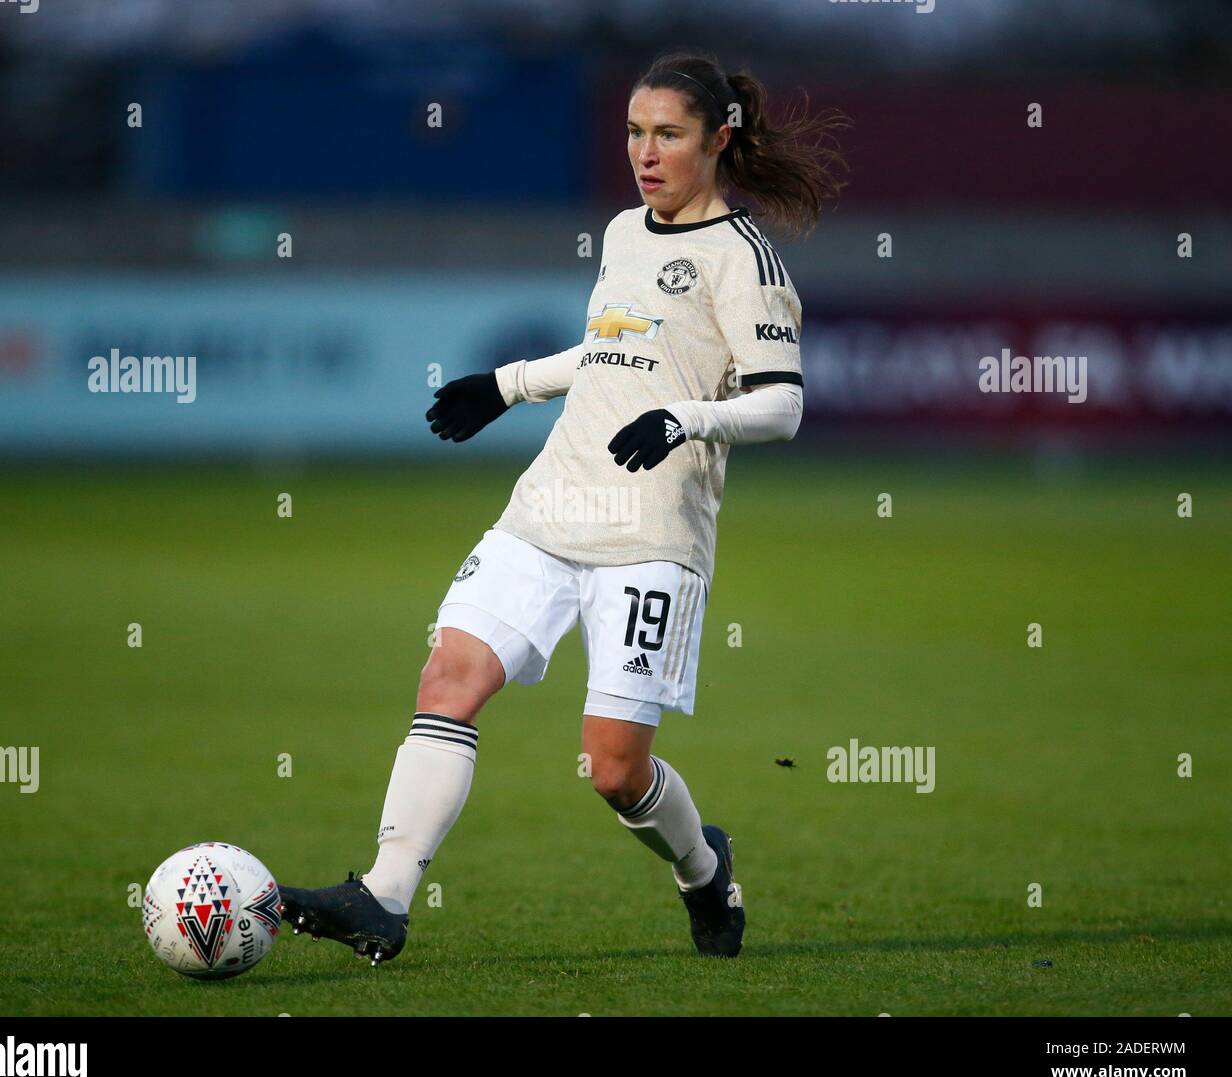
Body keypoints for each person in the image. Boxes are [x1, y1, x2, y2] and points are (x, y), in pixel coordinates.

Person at [278, 49, 847, 965]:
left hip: (651, 538)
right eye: (634, 132)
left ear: (719, 138)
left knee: (615, 771)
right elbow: (612, 349)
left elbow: (782, 404)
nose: (645, 153)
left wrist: (685, 420)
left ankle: (703, 867)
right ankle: (383, 896)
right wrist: (507, 386)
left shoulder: (745, 261)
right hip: (547, 510)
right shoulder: (625, 234)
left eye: (668, 134)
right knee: (448, 680)